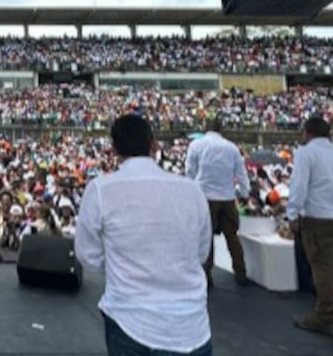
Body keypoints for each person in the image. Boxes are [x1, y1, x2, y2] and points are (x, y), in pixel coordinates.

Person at [75, 114, 213, 356]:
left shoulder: (101, 190)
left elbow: (87, 255)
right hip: (192, 326)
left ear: (114, 149)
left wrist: (121, 265)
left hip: (130, 320)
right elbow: (201, 253)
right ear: (154, 144)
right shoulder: (192, 191)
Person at [286, 116, 333, 336]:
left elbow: (299, 185)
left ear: (307, 133)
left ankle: (326, 314)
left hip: (317, 217)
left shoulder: (306, 153)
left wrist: (293, 213)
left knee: (322, 267)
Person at [185, 118, 250, 287]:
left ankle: (207, 276)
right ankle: (241, 272)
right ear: (222, 130)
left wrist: (191, 193)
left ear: (206, 129)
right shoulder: (231, 147)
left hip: (205, 196)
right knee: (232, 237)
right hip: (227, 197)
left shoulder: (197, 145)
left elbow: (189, 171)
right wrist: (244, 192)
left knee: (206, 238)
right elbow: (241, 173)